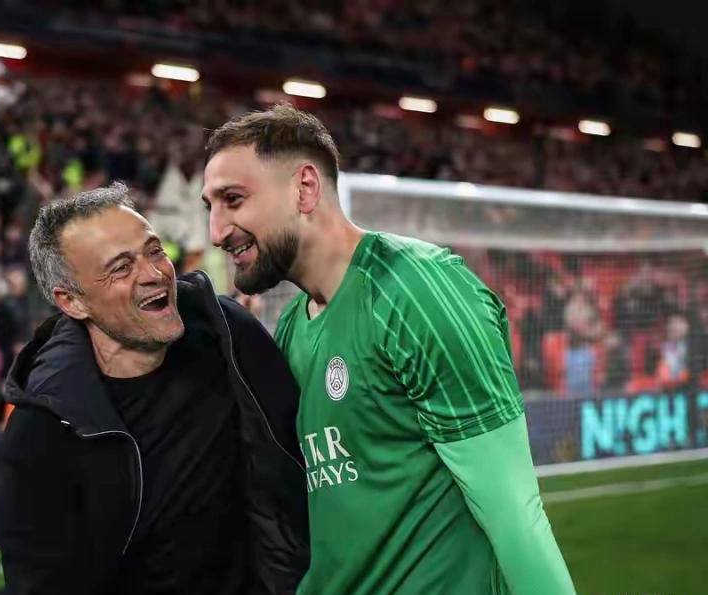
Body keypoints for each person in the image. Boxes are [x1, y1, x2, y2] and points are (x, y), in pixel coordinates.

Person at [202, 105, 574, 595]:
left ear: (305, 188)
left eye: (233, 199)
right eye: (210, 207)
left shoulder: (418, 292)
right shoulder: (291, 327)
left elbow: (515, 516)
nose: (216, 231)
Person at [0, 183, 308, 594]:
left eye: (155, 251)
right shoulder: (42, 434)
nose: (154, 274)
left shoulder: (227, 336)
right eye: (121, 268)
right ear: (72, 302)